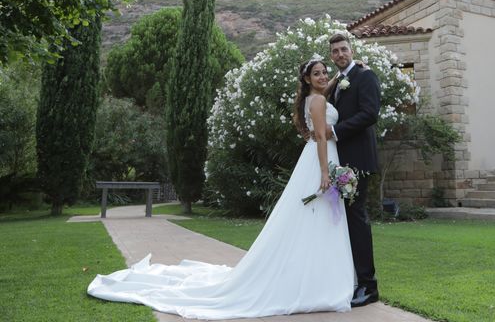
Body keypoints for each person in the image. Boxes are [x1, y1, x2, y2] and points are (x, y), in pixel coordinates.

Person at [87, 58, 354, 320]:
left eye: (324, 73)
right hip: (320, 161)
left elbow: (323, 98)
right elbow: (320, 136)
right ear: (307, 79)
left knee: (312, 218)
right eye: (317, 73)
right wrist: (324, 172)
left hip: (316, 159)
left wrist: (340, 76)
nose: (322, 77)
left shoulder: (313, 98)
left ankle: (312, 278)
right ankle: (318, 282)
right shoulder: (318, 101)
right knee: (316, 216)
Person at [326, 32, 381, 307]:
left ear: (351, 50)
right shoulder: (338, 82)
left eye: (343, 49)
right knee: (347, 220)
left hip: (358, 161)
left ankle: (369, 287)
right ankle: (355, 280)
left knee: (357, 220)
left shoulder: (365, 76)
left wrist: (335, 131)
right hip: (342, 162)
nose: (339, 54)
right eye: (334, 51)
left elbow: (370, 113)